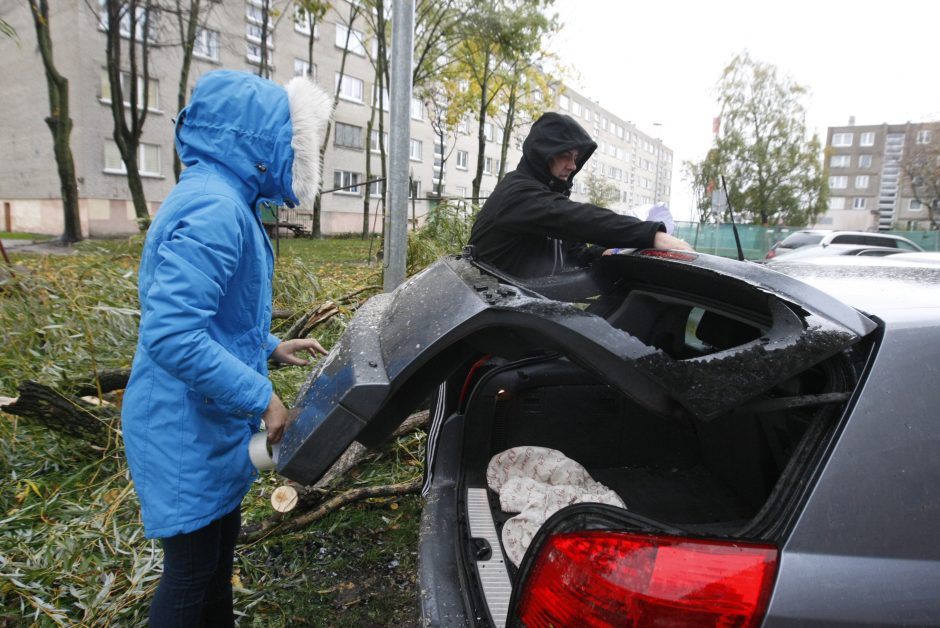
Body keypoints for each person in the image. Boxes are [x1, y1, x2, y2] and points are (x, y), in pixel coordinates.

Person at [120, 70, 332, 626]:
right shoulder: (215, 209)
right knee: (191, 575)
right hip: (182, 428)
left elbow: (215, 320)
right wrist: (263, 398)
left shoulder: (227, 199)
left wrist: (270, 345)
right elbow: (172, 335)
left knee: (215, 558)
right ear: (260, 140)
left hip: (207, 421)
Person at [468, 112, 693, 278]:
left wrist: (608, 253)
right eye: (566, 156)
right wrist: (653, 235)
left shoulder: (543, 197)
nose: (573, 165)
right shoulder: (517, 194)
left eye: (575, 158)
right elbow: (577, 218)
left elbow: (575, 251)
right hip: (491, 312)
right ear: (544, 154)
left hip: (517, 302)